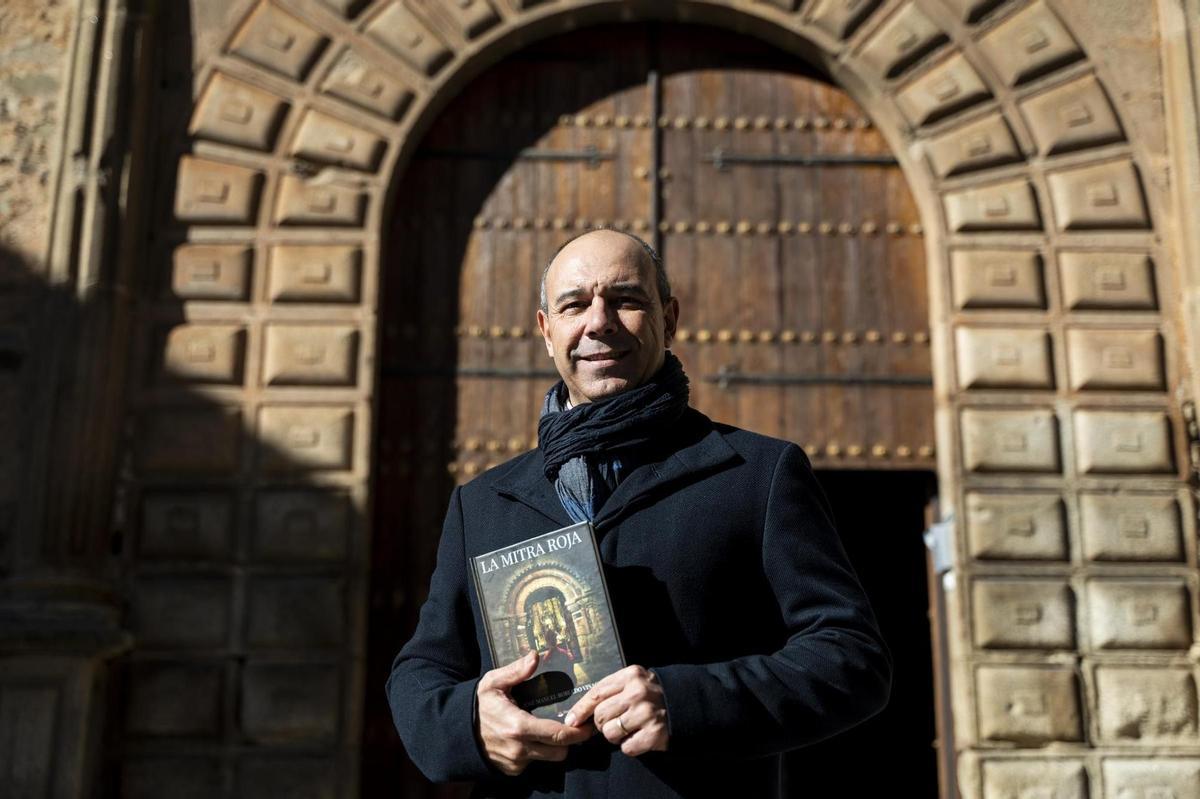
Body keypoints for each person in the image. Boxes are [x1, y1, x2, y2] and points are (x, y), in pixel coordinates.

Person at [387, 229, 891, 797]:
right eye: (574, 304)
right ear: (545, 330)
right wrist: (472, 725)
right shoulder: (481, 502)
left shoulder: (758, 474)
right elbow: (419, 675)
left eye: (626, 300)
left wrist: (686, 704)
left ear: (669, 318)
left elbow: (852, 660)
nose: (598, 322)